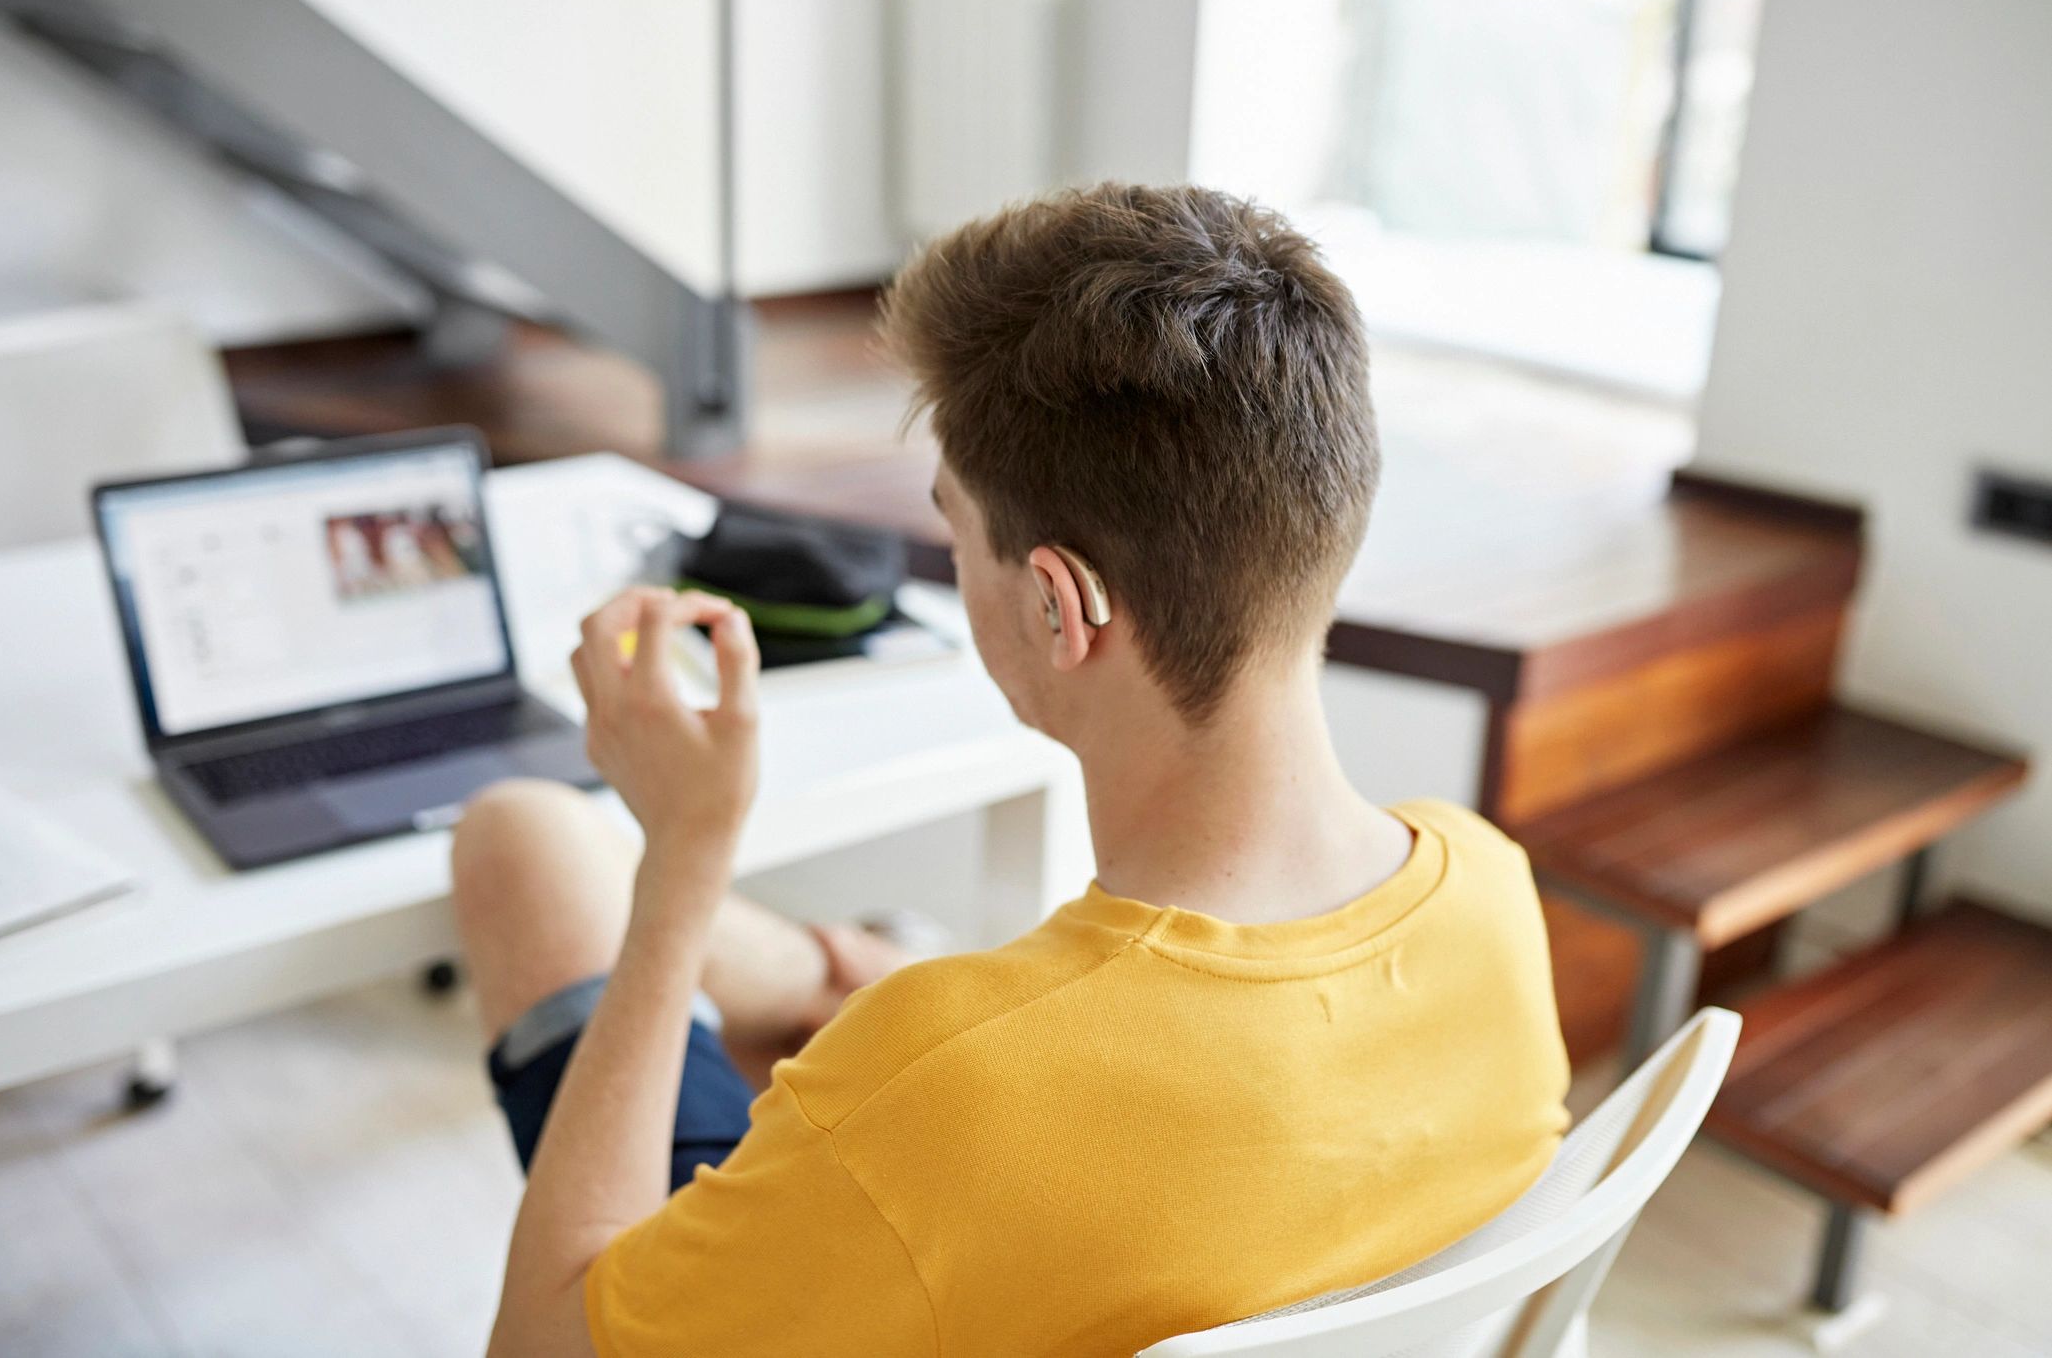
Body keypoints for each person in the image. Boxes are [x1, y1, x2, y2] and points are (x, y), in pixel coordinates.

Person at [452, 183, 1571, 1357]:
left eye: (953, 530)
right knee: (837, 971)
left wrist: (684, 858)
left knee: (526, 838)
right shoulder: (1487, 884)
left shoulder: (959, 1091)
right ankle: (843, 971)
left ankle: (819, 971)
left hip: (899, 1192)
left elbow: (537, 1344)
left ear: (1057, 601)